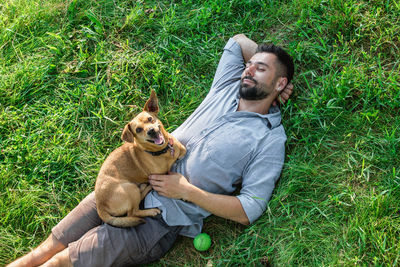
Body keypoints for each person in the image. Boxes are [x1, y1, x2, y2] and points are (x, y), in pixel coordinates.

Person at [8, 33, 294, 267]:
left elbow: (249, 209)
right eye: (250, 64)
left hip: (159, 221)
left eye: (260, 69)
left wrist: (186, 191)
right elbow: (238, 41)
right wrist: (265, 67)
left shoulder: (268, 140)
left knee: (60, 263)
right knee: (42, 251)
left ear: (280, 82)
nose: (249, 69)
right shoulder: (227, 86)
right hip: (122, 184)